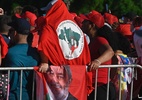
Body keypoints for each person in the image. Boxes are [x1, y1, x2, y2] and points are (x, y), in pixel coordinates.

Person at [81, 10, 116, 100]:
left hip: (100, 87)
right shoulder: (93, 41)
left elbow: (110, 52)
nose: (82, 23)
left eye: (85, 21)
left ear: (92, 25)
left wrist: (97, 61)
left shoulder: (99, 40)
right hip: (97, 87)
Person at [2, 18, 40, 100]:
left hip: (13, 96)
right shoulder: (36, 53)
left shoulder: (9, 53)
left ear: (15, 33)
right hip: (30, 96)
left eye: (10, 31)